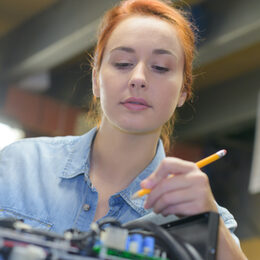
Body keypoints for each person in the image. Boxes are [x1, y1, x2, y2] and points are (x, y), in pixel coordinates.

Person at [0, 0, 246, 259]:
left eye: (160, 67)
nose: (138, 78)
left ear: (183, 91)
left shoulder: (205, 218)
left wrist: (214, 229)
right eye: (122, 63)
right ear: (96, 80)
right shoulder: (18, 165)